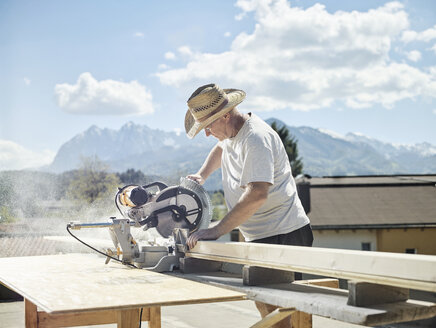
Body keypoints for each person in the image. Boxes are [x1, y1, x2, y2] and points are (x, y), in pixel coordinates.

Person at [184, 83, 313, 328]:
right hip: (260, 234)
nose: (207, 133)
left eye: (208, 126)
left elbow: (257, 195)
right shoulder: (232, 132)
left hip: (283, 233)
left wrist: (216, 230)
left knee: (282, 311)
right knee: (266, 306)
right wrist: (202, 175)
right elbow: (221, 148)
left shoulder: (255, 138)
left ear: (226, 115)